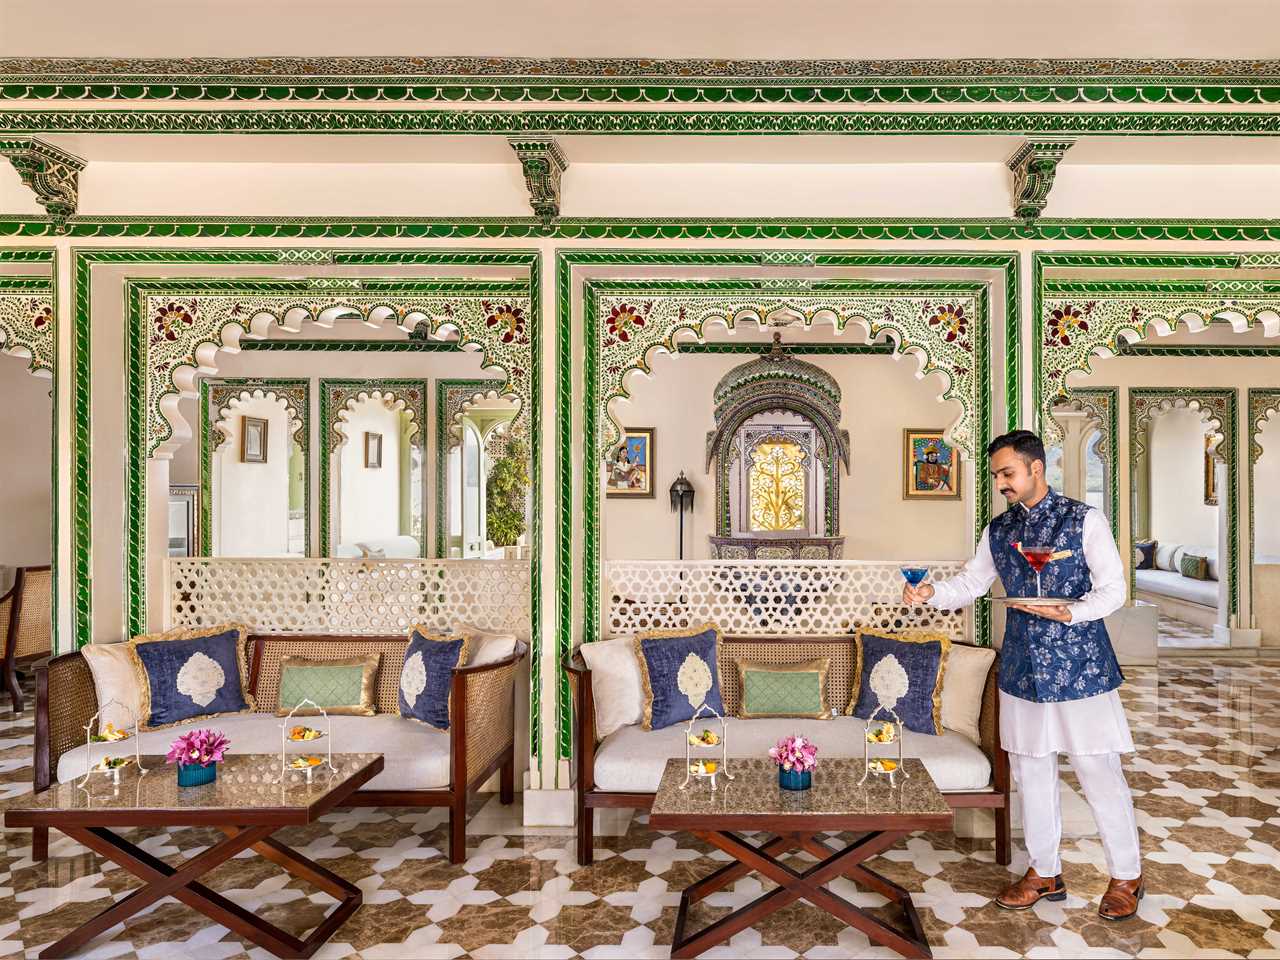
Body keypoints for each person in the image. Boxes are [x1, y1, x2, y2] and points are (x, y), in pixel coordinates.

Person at [902, 429, 1144, 920]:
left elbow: (1114, 589)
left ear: (1038, 468)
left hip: (1081, 668)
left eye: (1008, 473)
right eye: (997, 476)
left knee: (1098, 770)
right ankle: (1044, 871)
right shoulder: (998, 529)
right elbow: (972, 582)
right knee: (1032, 772)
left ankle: (1126, 876)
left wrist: (1070, 614)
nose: (1002, 484)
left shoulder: (1084, 520)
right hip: (1022, 667)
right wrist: (931, 595)